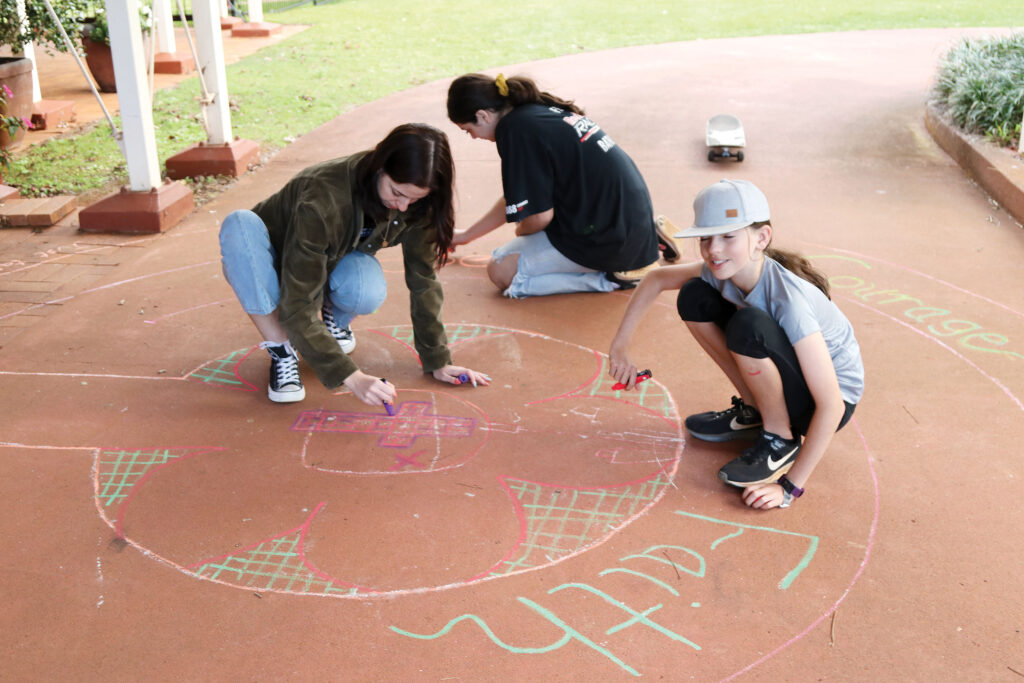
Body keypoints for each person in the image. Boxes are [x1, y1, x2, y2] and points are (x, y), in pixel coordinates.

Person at [608, 179, 864, 510]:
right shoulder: (722, 270)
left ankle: (780, 439)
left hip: (823, 406)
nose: (714, 249)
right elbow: (656, 278)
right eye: (706, 238)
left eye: (728, 236)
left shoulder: (789, 300)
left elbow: (833, 405)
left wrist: (789, 489)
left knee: (748, 326)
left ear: (761, 238)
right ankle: (757, 410)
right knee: (694, 296)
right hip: (798, 383)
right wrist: (619, 349)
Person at [219, 123, 490, 405]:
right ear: (379, 167)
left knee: (366, 287)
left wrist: (438, 360)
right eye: (397, 192)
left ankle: (326, 321)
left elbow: (423, 280)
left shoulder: (419, 202)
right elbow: (297, 303)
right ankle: (282, 350)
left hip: (323, 262)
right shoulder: (325, 197)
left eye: (415, 198)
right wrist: (352, 377)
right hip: (271, 262)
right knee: (239, 224)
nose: (403, 206)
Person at [445, 72, 680, 299]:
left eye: (468, 130)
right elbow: (518, 196)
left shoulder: (514, 130)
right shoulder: (532, 113)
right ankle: (643, 238)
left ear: (484, 115)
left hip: (609, 238)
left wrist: (523, 231)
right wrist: (466, 236)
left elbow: (538, 218)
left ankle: (615, 277)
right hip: (625, 218)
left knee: (501, 270)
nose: (474, 137)